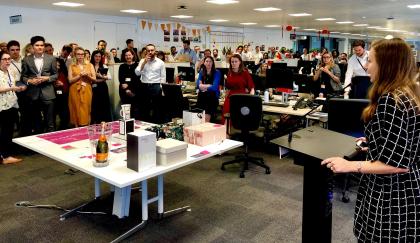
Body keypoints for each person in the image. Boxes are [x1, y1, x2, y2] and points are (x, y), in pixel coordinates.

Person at [321, 38, 420, 243]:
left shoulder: (390, 101)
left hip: (391, 194)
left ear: (387, 65)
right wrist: (376, 140)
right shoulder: (407, 94)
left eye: (371, 61)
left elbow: (396, 164)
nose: (366, 65)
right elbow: (407, 142)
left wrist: (349, 165)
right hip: (406, 189)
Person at [19, 36, 58, 134]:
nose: (40, 47)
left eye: (42, 45)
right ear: (32, 46)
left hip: (48, 93)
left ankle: (51, 144)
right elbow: (23, 76)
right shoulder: (26, 60)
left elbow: (56, 75)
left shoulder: (51, 59)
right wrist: (29, 81)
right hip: (33, 94)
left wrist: (47, 78)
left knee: (50, 122)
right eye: (37, 45)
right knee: (36, 122)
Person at [0, 51, 26, 164]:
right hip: (2, 106)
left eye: (9, 59)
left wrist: (19, 87)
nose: (7, 61)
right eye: (5, 59)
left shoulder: (9, 71)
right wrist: (12, 89)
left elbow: (11, 85)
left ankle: (6, 155)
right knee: (4, 131)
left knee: (8, 131)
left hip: (12, 104)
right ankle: (4, 156)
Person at [135, 44, 166, 123]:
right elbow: (137, 73)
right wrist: (144, 63)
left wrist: (162, 90)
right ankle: (145, 126)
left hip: (156, 86)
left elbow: (163, 77)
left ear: (155, 51)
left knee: (156, 108)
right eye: (148, 50)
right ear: (146, 51)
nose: (150, 52)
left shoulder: (160, 63)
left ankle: (156, 126)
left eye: (152, 50)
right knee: (144, 108)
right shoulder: (142, 61)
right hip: (144, 86)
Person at [222, 53, 255, 124]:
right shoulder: (229, 73)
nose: (234, 63)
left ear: (240, 62)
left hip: (242, 97)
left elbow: (251, 87)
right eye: (232, 62)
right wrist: (225, 97)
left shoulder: (245, 73)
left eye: (235, 61)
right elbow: (228, 88)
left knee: (238, 118)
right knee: (226, 116)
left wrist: (251, 100)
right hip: (230, 97)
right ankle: (226, 133)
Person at [68, 47, 96, 127]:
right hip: (74, 89)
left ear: (84, 55)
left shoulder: (90, 65)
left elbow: (94, 79)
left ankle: (87, 127)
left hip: (86, 89)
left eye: (82, 54)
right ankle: (76, 128)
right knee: (75, 108)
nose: (80, 56)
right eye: (78, 54)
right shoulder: (71, 66)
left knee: (87, 108)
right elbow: (70, 80)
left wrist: (87, 76)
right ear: (75, 55)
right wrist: (79, 75)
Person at [196, 56, 221, 122]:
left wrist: (203, 86)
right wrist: (209, 85)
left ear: (213, 63)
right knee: (199, 118)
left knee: (206, 120)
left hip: (211, 98)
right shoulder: (202, 72)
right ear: (204, 63)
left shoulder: (217, 72)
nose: (208, 63)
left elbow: (214, 87)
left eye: (210, 61)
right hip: (202, 97)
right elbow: (198, 85)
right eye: (207, 61)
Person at [90, 50, 112, 124]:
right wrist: (102, 78)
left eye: (99, 56)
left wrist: (102, 77)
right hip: (92, 88)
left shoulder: (104, 66)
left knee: (103, 106)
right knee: (94, 106)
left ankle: (104, 123)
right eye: (96, 56)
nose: (97, 58)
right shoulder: (90, 66)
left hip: (102, 88)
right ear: (93, 56)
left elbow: (109, 77)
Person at [118, 49, 140, 119]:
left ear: (133, 55)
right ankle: (126, 127)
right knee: (126, 113)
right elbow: (121, 79)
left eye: (129, 55)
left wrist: (129, 86)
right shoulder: (122, 66)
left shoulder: (137, 65)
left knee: (135, 111)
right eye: (126, 55)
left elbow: (137, 79)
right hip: (124, 91)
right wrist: (126, 90)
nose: (128, 57)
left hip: (135, 91)